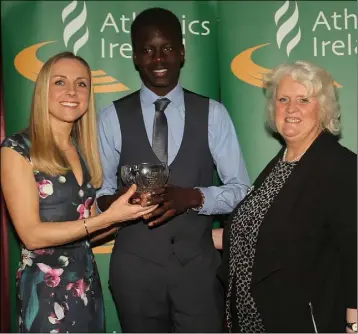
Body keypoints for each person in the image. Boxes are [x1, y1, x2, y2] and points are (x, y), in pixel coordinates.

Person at [95, 7, 250, 333]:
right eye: (148, 50)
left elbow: (240, 191)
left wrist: (194, 197)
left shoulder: (214, 114)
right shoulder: (111, 117)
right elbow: (100, 195)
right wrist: (121, 203)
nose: (159, 58)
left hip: (198, 274)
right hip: (135, 274)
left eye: (167, 48)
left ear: (181, 52)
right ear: (135, 57)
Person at [0, 51, 158, 333]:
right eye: (60, 82)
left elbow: (89, 232)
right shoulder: (16, 149)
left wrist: (129, 212)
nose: (72, 91)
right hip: (46, 296)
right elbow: (31, 235)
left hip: (85, 289)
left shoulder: (82, 152)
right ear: (43, 91)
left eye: (81, 83)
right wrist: (108, 219)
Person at [216, 60, 357, 333]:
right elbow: (260, 232)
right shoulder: (280, 163)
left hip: (305, 320)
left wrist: (353, 324)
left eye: (304, 99)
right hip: (254, 321)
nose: (291, 109)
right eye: (283, 99)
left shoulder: (342, 168)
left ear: (324, 108)